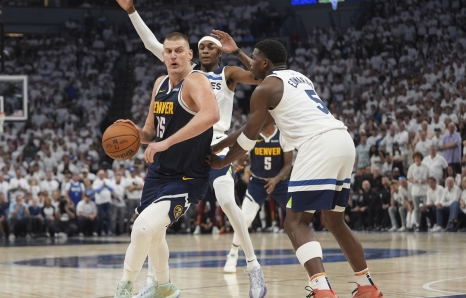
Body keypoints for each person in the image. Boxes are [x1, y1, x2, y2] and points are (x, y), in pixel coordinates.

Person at [116, 1, 267, 296]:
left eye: (212, 46)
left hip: (214, 145)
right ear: (195, 53)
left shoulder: (227, 74)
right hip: (173, 156)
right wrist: (138, 135)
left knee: (226, 202)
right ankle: (157, 284)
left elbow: (261, 78)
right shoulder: (170, 79)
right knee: (154, 227)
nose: (207, 49)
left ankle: (252, 265)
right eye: (203, 46)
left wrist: (236, 51)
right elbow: (152, 44)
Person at [210, 40, 382, 298]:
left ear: (264, 62)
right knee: (334, 221)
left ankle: (322, 290)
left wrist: (222, 161)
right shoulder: (298, 79)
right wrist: (218, 146)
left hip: (318, 146)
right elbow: (251, 123)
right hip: (343, 141)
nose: (250, 63)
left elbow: (249, 138)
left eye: (254, 58)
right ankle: (367, 285)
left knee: (295, 222)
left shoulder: (264, 90)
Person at [113, 32, 220, 298]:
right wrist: (134, 134)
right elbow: (151, 131)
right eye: (169, 51)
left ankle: (124, 289)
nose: (173, 55)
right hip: (158, 173)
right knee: (156, 233)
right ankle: (164, 287)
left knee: (143, 228)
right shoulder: (160, 84)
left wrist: (166, 143)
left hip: (186, 177)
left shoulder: (195, 81)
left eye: (179, 51)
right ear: (162, 55)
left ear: (189, 54)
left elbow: (211, 114)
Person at [223, 123, 293, 273]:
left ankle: (307, 253)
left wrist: (276, 179)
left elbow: (288, 165)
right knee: (245, 218)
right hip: (257, 182)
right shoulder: (254, 135)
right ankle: (233, 254)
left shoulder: (283, 135)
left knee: (297, 214)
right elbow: (242, 159)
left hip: (279, 182)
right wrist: (238, 163)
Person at [406, 151, 430, 231]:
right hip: (415, 191)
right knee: (416, 208)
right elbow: (409, 178)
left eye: (418, 157)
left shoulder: (425, 167)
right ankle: (417, 224)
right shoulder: (411, 167)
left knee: (426, 207)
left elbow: (429, 178)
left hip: (424, 190)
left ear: (421, 158)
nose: (417, 159)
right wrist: (413, 180)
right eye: (416, 157)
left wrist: (425, 180)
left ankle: (428, 224)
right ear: (414, 159)